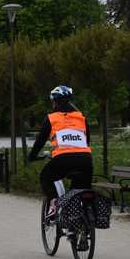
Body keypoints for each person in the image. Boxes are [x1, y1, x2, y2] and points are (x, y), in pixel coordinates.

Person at [28, 85, 93, 217]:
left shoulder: (52, 118)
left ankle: (53, 204)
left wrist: (32, 156)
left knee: (45, 177)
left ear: (55, 102)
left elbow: (39, 142)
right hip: (85, 160)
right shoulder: (81, 118)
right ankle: (81, 221)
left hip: (62, 160)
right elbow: (87, 141)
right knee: (81, 190)